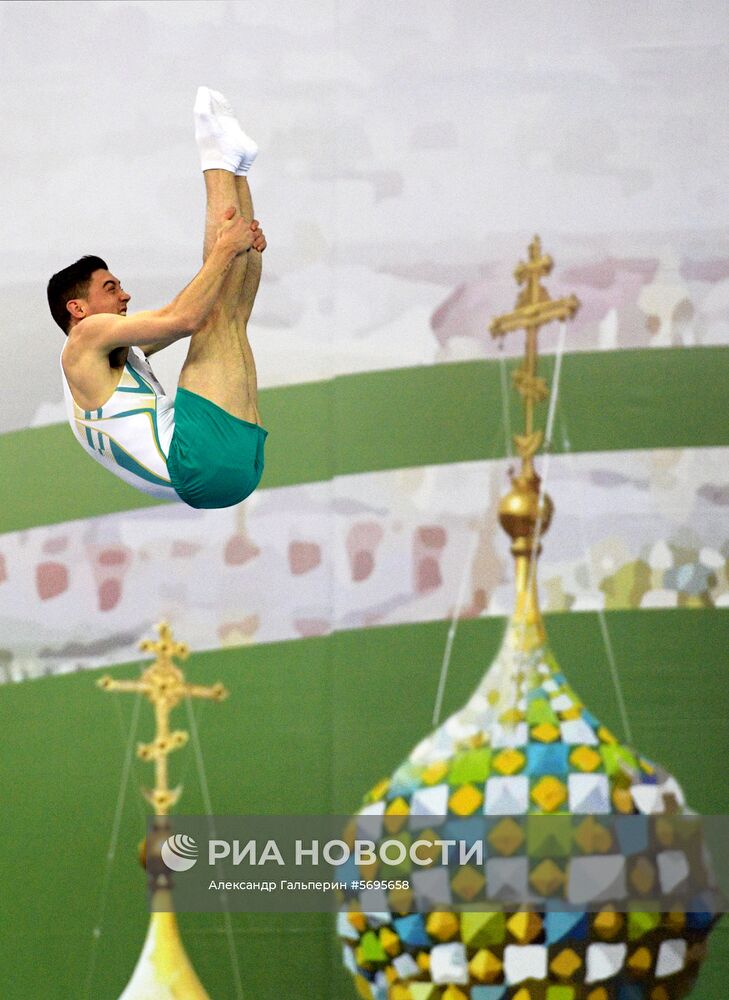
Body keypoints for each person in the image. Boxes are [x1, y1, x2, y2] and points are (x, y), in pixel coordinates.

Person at [48, 87, 267, 509]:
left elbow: (196, 310)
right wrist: (226, 250)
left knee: (228, 315)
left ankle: (237, 164)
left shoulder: (113, 358)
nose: (125, 293)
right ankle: (217, 159)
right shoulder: (83, 341)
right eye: (110, 288)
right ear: (78, 309)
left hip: (228, 469)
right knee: (215, 313)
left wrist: (242, 248)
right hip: (196, 465)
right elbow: (184, 317)